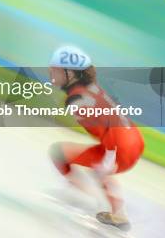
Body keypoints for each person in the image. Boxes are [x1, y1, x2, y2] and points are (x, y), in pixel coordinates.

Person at [48, 45, 144, 231]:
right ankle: (101, 202)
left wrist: (108, 160)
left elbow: (109, 126)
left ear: (71, 74)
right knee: (62, 153)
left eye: (56, 69)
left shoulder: (77, 100)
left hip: (120, 145)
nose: (51, 72)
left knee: (66, 157)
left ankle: (111, 211)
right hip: (132, 139)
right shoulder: (88, 89)